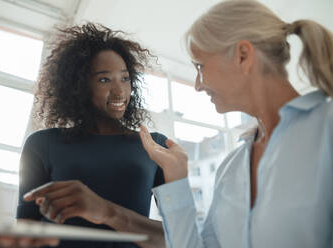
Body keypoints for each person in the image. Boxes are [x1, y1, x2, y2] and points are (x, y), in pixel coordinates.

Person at [137, 0, 333, 247]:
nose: (197, 85)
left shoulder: (327, 128)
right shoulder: (230, 168)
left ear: (243, 56)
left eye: (200, 66)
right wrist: (176, 180)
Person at [17, 23, 169, 248]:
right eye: (104, 80)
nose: (119, 91)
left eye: (125, 78)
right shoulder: (42, 144)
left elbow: (180, 238)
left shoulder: (155, 146)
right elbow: (25, 232)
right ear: (79, 86)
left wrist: (108, 211)